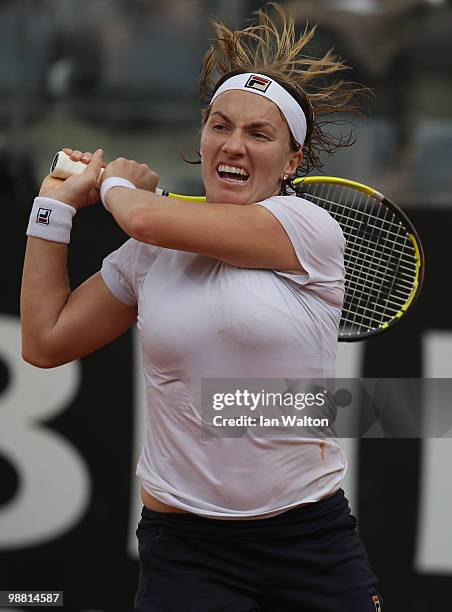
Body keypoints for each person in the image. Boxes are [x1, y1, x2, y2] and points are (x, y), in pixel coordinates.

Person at [21, 4, 383, 611]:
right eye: (220, 125)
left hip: (309, 540)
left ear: (292, 162)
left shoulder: (307, 227)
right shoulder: (148, 254)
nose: (233, 144)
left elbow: (141, 215)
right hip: (185, 548)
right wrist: (52, 208)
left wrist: (117, 184)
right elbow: (45, 341)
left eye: (258, 134)